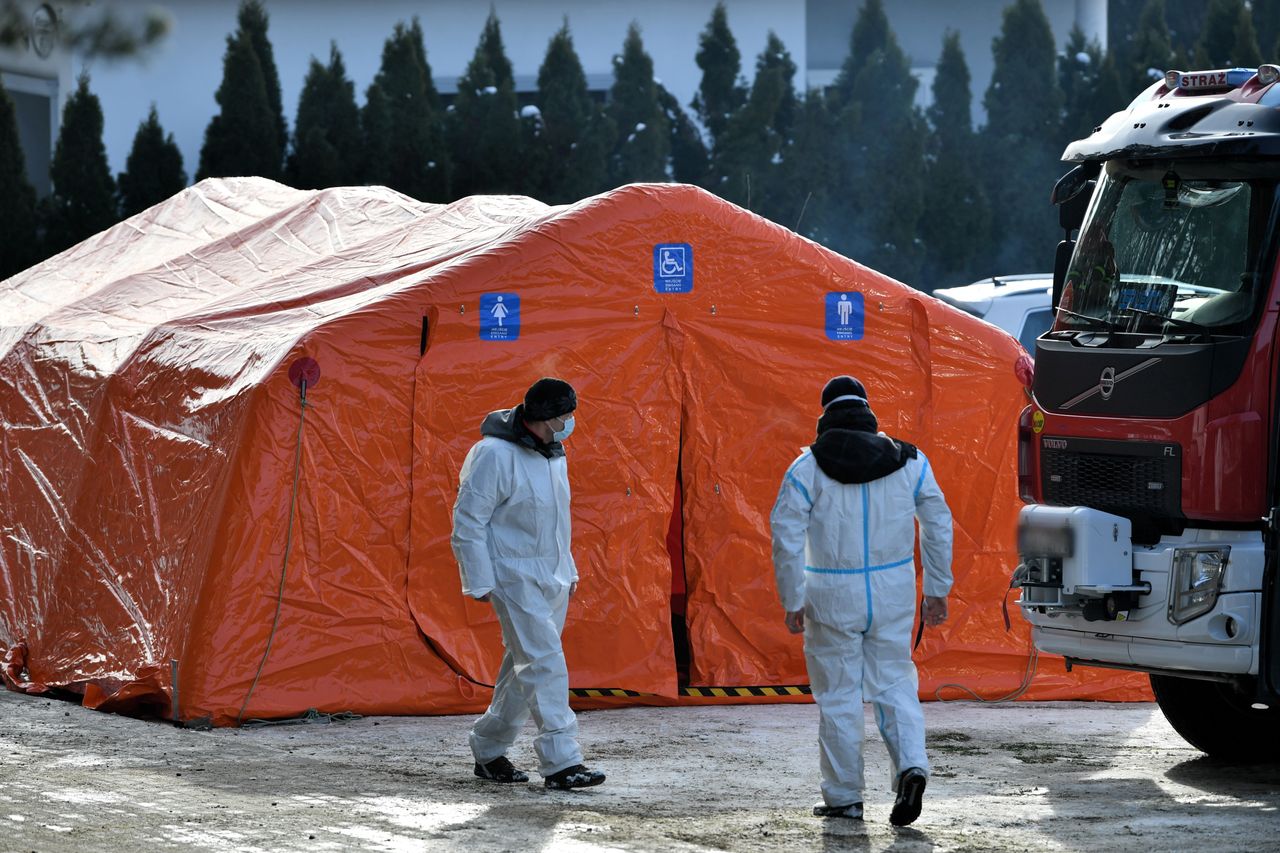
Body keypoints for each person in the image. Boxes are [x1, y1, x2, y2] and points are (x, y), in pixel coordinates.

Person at [770, 375, 952, 826]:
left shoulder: (806, 468)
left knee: (838, 698)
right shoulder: (910, 460)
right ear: (869, 414)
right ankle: (911, 765)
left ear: (824, 416)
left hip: (830, 594)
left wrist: (792, 598)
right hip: (892, 592)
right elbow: (938, 524)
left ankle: (844, 798)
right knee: (894, 684)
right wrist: (937, 589)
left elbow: (786, 538)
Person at [451, 377, 605, 791]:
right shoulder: (492, 455)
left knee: (523, 669)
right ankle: (561, 761)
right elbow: (468, 521)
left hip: (551, 574)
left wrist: (567, 569)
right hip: (512, 575)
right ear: (544, 418)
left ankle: (488, 748)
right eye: (565, 416)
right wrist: (479, 579)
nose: (570, 423)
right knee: (544, 661)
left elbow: (558, 521)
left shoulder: (553, 452)